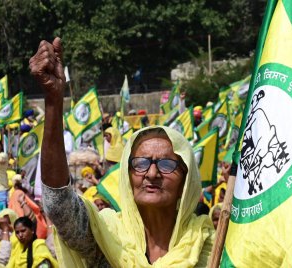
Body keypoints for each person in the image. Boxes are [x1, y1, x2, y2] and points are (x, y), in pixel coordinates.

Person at [29, 37, 213, 267]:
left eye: (166, 164)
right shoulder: (108, 238)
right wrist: (54, 101)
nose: (152, 174)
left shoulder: (209, 249)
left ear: (187, 181)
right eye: (141, 163)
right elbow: (58, 205)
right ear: (128, 175)